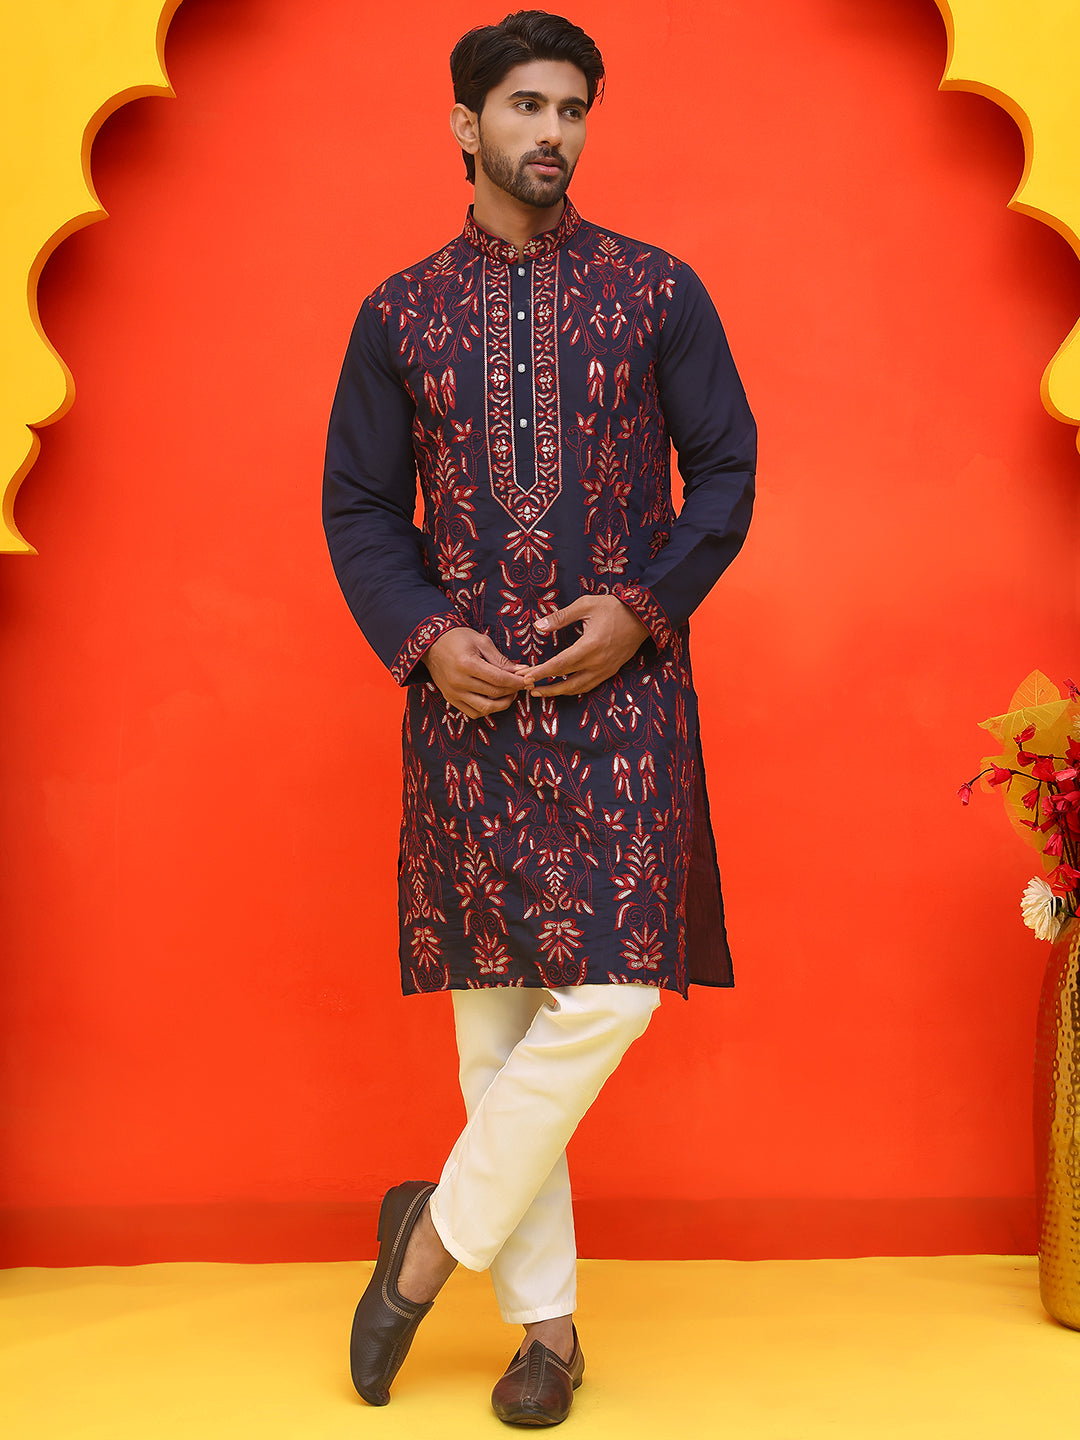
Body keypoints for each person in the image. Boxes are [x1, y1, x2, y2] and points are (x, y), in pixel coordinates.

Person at [323, 9, 755, 1426]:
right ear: (466, 125)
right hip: (467, 711)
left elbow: (727, 473)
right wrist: (424, 638)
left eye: (572, 107)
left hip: (623, 700)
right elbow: (361, 509)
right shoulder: (399, 314)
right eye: (525, 105)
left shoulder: (655, 290)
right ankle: (548, 1337)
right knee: (497, 1036)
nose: (552, 131)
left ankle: (426, 1241)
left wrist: (645, 604)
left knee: (611, 992)